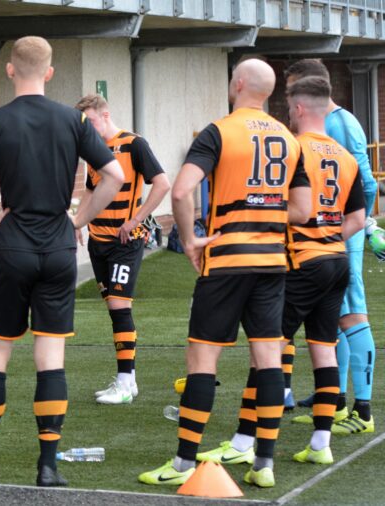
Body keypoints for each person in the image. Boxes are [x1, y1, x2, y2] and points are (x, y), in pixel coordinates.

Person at [0, 36, 124, 487]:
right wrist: (77, 218)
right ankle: (48, 467)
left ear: (8, 70)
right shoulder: (75, 118)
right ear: (50, 72)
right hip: (59, 250)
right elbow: (114, 176)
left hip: (14, 247)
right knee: (51, 358)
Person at [138, 59, 311, 489]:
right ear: (269, 94)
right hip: (272, 262)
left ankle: (182, 464)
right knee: (269, 359)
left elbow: (180, 191)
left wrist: (190, 239)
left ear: (236, 84)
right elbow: (304, 211)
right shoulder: (289, 140)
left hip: (226, 260)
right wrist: (263, 212)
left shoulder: (220, 130)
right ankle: (264, 464)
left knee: (202, 359)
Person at [196, 76, 366, 469]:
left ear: (300, 109)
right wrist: (326, 237)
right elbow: (357, 217)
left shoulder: (293, 147)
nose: (288, 115)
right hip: (336, 260)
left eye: (289, 108)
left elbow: (280, 204)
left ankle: (243, 440)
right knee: (323, 350)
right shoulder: (345, 156)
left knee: (266, 355)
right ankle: (321, 442)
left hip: (299, 262)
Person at [285, 59, 377, 434]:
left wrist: (357, 228)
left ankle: (364, 409)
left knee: (353, 313)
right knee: (330, 318)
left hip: (336, 238)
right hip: (327, 239)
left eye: (292, 93)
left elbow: (366, 181)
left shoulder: (342, 123)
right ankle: (334, 401)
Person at [73, 93, 170, 405]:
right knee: (114, 310)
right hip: (98, 242)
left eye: (89, 121)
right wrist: (78, 222)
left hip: (125, 242)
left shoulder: (134, 144)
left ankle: (125, 381)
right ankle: (128, 380)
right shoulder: (93, 152)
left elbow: (163, 184)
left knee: (119, 305)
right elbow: (90, 191)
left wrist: (137, 220)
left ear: (105, 114)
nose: (86, 128)